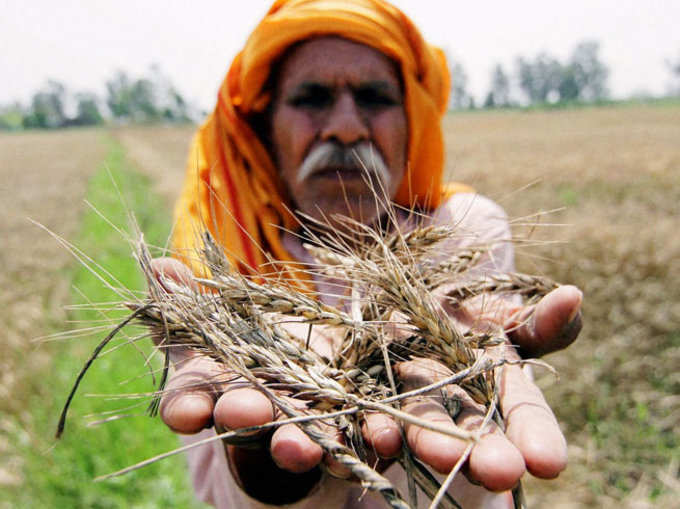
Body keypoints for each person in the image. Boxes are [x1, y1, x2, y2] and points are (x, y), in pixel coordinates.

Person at [152, 1, 583, 507]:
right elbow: (219, 491)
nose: (347, 128)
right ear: (266, 129)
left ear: (413, 121)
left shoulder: (463, 229)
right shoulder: (224, 258)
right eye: (311, 98)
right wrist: (262, 454)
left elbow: (489, 389)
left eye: (374, 98)